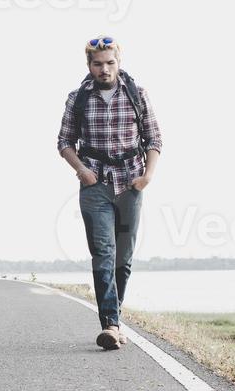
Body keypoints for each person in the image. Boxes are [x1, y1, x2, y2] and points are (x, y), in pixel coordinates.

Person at [57, 35, 163, 350]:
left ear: (118, 61)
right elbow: (64, 142)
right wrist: (82, 171)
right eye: (97, 64)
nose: (104, 69)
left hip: (130, 185)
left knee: (123, 259)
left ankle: (114, 318)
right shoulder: (78, 98)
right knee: (103, 254)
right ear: (89, 65)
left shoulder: (137, 95)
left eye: (109, 63)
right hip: (95, 188)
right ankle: (111, 326)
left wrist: (146, 177)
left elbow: (154, 139)